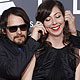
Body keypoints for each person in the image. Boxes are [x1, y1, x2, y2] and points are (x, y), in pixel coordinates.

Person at [21, 0, 80, 80]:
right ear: (42, 23)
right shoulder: (36, 49)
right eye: (48, 19)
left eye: (58, 16)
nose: (54, 22)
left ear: (65, 18)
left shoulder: (74, 47)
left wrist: (73, 32)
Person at [0, 7, 41, 80]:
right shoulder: (1, 47)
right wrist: (32, 41)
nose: (19, 32)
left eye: (23, 27)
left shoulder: (35, 43)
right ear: (4, 30)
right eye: (13, 28)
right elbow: (13, 72)